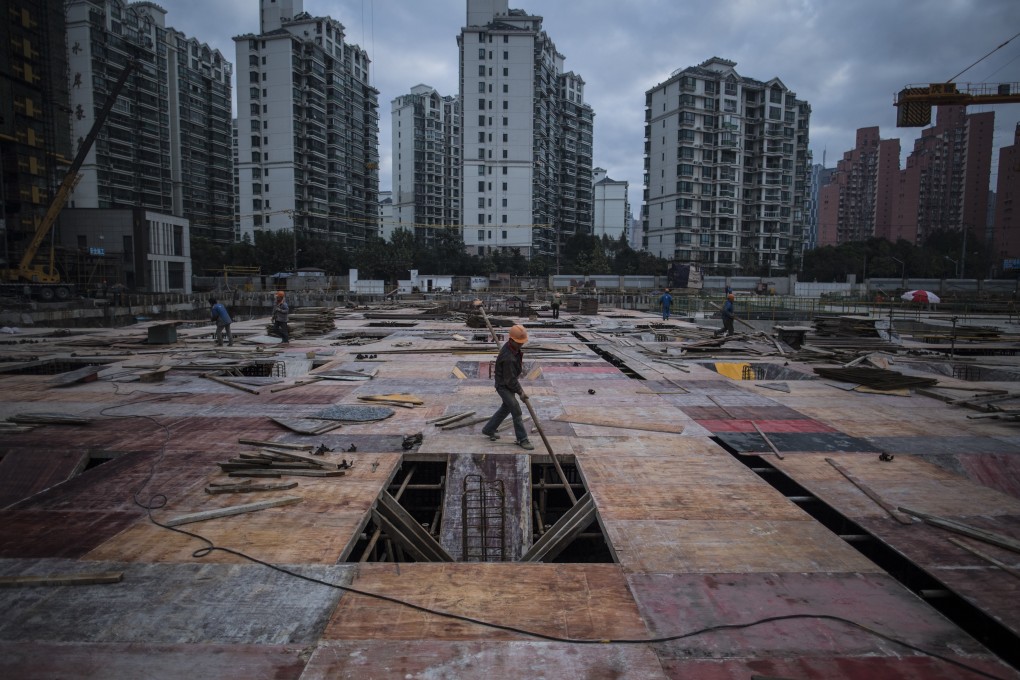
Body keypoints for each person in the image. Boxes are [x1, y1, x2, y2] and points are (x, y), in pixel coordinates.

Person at [481, 324, 535, 450]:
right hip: (503, 386)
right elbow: (510, 380)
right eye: (519, 343)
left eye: (522, 343)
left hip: (507, 381)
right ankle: (522, 439)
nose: (521, 345)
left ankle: (489, 429)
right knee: (516, 410)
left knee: (506, 408)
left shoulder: (511, 348)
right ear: (511, 340)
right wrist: (521, 392)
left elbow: (511, 378)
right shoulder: (509, 357)